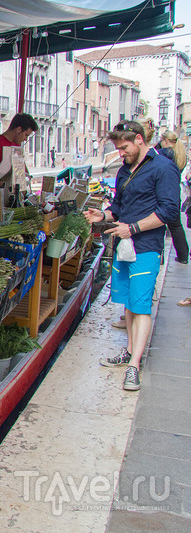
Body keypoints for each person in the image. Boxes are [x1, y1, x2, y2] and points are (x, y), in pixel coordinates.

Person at [84, 120, 180, 391]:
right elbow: (119, 206)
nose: (121, 153)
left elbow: (169, 211)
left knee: (141, 305)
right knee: (127, 301)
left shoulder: (163, 168)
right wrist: (102, 215)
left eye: (124, 147)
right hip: (124, 245)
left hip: (146, 246)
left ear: (139, 139)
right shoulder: (125, 170)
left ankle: (134, 365)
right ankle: (128, 350)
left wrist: (133, 228)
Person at [0, 113, 38, 192]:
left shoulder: (16, 146)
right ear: (18, 129)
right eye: (26, 135)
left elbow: (23, 170)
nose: (25, 139)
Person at [156, 129, 189, 264]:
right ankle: (183, 256)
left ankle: (160, 257)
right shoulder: (180, 155)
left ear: (165, 141)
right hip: (175, 193)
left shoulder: (165, 154)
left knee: (158, 224)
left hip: (163, 192)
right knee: (176, 226)